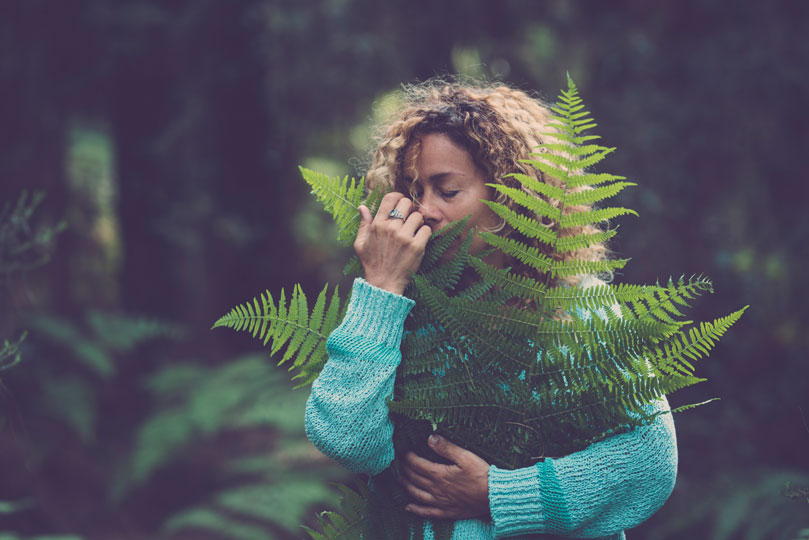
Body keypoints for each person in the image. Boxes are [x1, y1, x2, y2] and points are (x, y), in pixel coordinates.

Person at [305, 79, 678, 539]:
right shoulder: (398, 308)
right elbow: (347, 441)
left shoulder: (571, 306)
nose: (425, 210)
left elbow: (650, 456)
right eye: (416, 191)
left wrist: (501, 495)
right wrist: (382, 287)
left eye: (448, 190)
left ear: (510, 192)